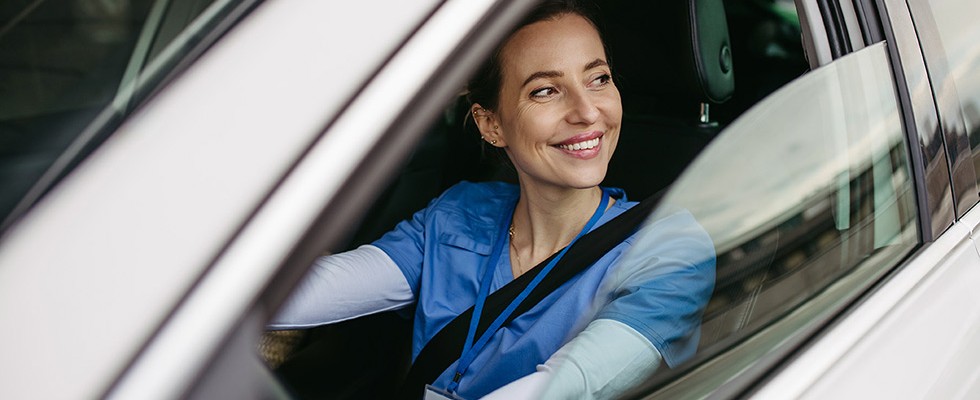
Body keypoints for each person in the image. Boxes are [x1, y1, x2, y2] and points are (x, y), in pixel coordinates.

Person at [269, 1, 715, 398]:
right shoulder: (459, 213)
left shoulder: (670, 247)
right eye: (545, 89)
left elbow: (570, 385)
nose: (586, 112)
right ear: (490, 124)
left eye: (598, 79)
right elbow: (312, 292)